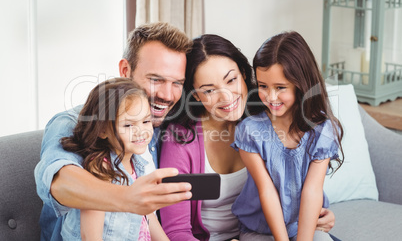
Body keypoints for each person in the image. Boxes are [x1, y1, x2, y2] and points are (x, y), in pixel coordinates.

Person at [159, 34, 337, 241]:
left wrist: (320, 215)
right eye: (209, 90)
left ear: (244, 73)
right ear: (196, 95)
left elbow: (298, 182)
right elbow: (176, 231)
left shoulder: (270, 114)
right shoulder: (179, 140)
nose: (226, 97)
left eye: (231, 80)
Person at [34, 22, 193, 240]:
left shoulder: (156, 124)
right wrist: (129, 197)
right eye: (156, 79)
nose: (168, 94)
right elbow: (60, 183)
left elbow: (151, 220)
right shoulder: (75, 122)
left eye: (177, 83)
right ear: (126, 70)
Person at [231, 31, 344, 241]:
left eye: (280, 88)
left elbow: (312, 191)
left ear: (301, 85)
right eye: (263, 86)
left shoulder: (322, 130)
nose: (270, 97)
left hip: (305, 226)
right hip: (259, 230)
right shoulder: (250, 130)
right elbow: (266, 191)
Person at [59, 78, 168, 240]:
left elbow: (147, 215)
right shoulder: (99, 170)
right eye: (128, 125)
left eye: (146, 121)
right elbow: (90, 236)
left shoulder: (138, 163)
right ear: (102, 130)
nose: (141, 131)